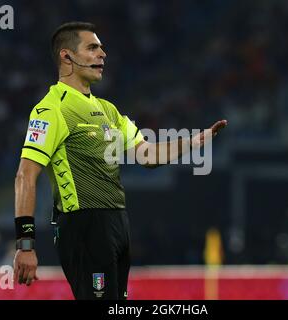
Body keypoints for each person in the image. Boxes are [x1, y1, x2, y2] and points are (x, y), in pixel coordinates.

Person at [13, 21, 227, 300]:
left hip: (118, 223)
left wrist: (192, 142)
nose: (102, 54)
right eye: (92, 48)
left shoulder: (108, 111)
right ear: (66, 56)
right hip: (83, 224)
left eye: (102, 48)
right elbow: (25, 176)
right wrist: (26, 244)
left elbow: (147, 155)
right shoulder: (51, 109)